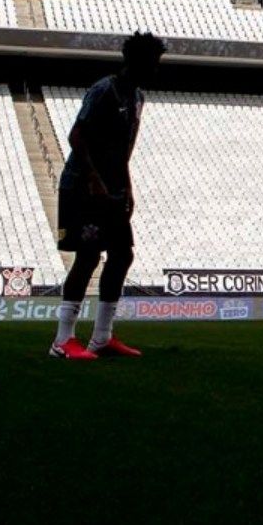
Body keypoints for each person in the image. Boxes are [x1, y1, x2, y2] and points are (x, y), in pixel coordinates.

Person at [50, 31, 165, 360]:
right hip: (82, 187)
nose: (156, 69)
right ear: (137, 62)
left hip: (113, 188)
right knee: (87, 257)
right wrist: (94, 180)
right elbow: (77, 136)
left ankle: (102, 337)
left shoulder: (137, 97)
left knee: (122, 254)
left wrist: (127, 187)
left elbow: (123, 151)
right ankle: (62, 340)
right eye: (152, 63)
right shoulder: (104, 90)